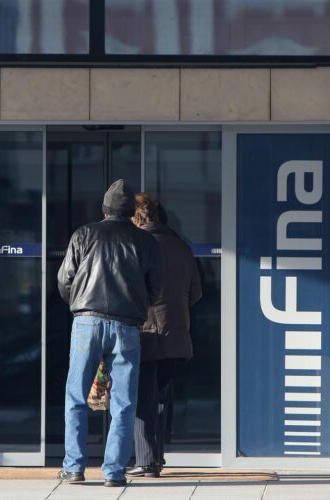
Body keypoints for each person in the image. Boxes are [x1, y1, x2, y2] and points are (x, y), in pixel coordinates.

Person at [56, 179, 162, 487]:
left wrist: (79, 302)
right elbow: (156, 290)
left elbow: (64, 280)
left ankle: (74, 468)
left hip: (87, 323)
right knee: (124, 402)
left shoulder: (84, 234)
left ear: (104, 210)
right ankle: (114, 472)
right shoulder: (145, 241)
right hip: (127, 326)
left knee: (76, 396)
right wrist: (136, 304)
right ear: (130, 212)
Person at [126, 193, 202, 478]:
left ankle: (147, 461)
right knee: (157, 397)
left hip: (147, 333)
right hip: (177, 333)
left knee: (142, 398)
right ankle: (155, 459)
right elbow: (196, 292)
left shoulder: (138, 246)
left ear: (135, 217)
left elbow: (130, 291)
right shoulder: (181, 246)